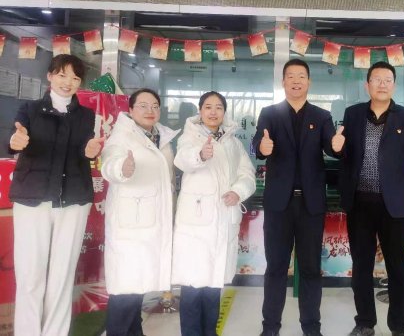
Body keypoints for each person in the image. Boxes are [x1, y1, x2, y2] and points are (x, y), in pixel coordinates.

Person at [338, 61, 404, 336]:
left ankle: (399, 327)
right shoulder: (353, 114)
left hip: (394, 204)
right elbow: (344, 154)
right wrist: (336, 149)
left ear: (394, 85)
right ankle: (365, 322)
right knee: (361, 266)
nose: (382, 84)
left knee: (397, 267)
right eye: (377, 79)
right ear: (367, 85)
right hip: (360, 203)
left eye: (387, 80)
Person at [8, 54, 103, 336]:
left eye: (75, 78)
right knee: (30, 274)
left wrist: (90, 152)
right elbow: (13, 140)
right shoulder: (29, 109)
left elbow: (86, 151)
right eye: (62, 75)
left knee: (62, 274)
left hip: (72, 201)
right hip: (33, 199)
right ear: (50, 76)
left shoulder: (87, 116)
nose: (68, 82)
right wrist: (15, 142)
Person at [252, 59, 343, 336]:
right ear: (283, 82)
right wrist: (262, 147)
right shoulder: (269, 113)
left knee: (311, 268)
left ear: (309, 82)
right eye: (290, 76)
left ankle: (311, 327)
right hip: (279, 205)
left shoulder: (321, 116)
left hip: (310, 204)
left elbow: (332, 147)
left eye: (301, 76)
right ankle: (270, 327)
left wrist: (337, 146)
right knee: (276, 268)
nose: (296, 80)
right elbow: (258, 145)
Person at [172, 91, 256, 336]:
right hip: (196, 224)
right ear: (200, 111)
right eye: (208, 106)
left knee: (213, 286)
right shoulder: (189, 137)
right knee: (192, 285)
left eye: (218, 107)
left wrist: (238, 192)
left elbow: (247, 174)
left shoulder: (233, 142)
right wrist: (200, 155)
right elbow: (182, 160)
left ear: (224, 112)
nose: (213, 112)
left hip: (223, 220)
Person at [100, 88, 179, 336]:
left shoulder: (162, 138)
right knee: (125, 292)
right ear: (131, 109)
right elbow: (109, 162)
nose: (150, 110)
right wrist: (121, 168)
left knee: (137, 290)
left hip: (152, 224)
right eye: (143, 105)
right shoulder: (122, 135)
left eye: (154, 106)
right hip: (130, 227)